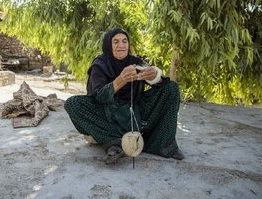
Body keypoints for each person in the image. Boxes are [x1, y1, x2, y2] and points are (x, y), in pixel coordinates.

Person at [64, 27, 184, 164]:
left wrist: (155, 76)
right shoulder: (100, 65)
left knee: (171, 88)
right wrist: (120, 80)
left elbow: (159, 83)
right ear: (108, 45)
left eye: (124, 41)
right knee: (72, 103)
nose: (121, 45)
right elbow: (99, 98)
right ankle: (116, 143)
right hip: (108, 117)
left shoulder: (136, 62)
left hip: (136, 114)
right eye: (115, 42)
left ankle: (161, 144)